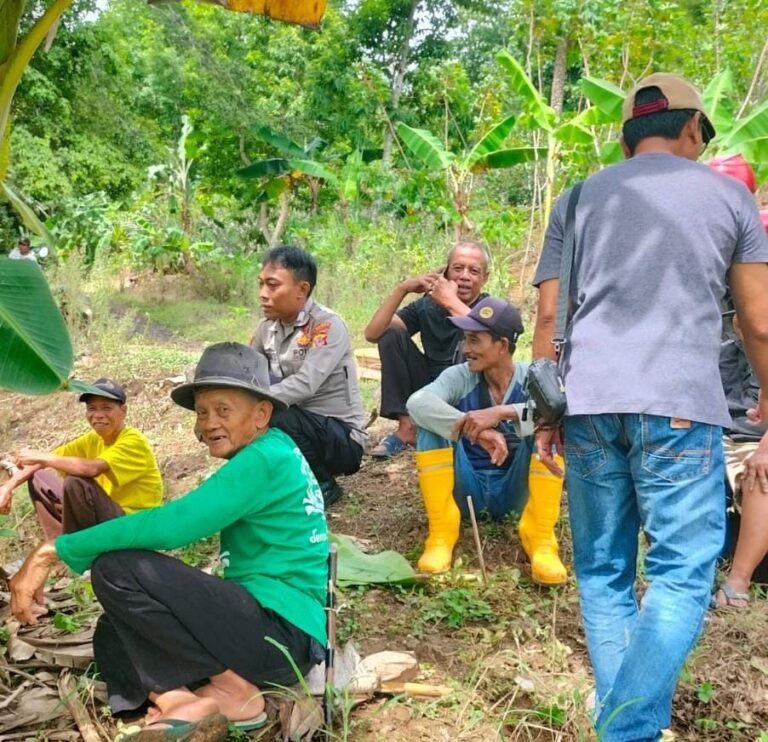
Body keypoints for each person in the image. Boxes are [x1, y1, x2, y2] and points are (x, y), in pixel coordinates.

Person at [531, 73, 768, 741]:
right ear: (692, 128)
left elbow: (550, 313)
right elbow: (758, 321)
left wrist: (545, 412)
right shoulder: (730, 198)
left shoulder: (577, 200)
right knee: (682, 576)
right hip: (679, 407)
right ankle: (626, 731)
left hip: (588, 404)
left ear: (627, 131)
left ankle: (623, 720)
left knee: (604, 571)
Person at [10, 342, 328, 741]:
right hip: (261, 628)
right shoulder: (272, 451)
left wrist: (53, 549)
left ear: (261, 413)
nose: (208, 423)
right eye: (202, 412)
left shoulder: (264, 458)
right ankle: (179, 699)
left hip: (280, 634)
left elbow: (175, 525)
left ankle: (232, 690)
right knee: (115, 627)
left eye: (223, 410)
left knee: (116, 569)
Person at [407, 297, 567, 584]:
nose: (466, 349)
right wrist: (475, 430)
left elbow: (560, 411)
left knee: (550, 425)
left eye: (474, 340)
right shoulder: (460, 376)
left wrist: (500, 413)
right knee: (429, 424)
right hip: (465, 489)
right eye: (465, 340)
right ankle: (442, 532)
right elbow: (417, 403)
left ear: (502, 346)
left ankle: (541, 538)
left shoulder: (531, 379)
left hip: (515, 490)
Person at [251, 245, 366, 507]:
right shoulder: (266, 329)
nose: (263, 294)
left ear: (302, 290)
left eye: (272, 285)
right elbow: (248, 373)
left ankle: (324, 484)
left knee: (272, 412)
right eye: (261, 285)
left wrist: (251, 405)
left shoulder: (327, 326)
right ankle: (275, 483)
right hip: (301, 428)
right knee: (248, 413)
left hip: (341, 439)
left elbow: (305, 385)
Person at [364, 242, 490, 457]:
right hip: (429, 384)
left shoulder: (490, 308)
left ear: (485, 278)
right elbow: (372, 334)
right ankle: (407, 429)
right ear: (445, 272)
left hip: (466, 390)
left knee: (470, 346)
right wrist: (402, 289)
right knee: (391, 335)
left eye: (474, 271)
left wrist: (450, 301)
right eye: (458, 268)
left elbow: (486, 337)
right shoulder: (426, 305)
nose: (465, 276)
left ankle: (460, 428)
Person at [0, 379, 162, 539]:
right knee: (39, 477)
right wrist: (7, 487)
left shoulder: (134, 441)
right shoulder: (93, 439)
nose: (98, 415)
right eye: (92, 408)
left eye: (106, 408)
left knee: (76, 481)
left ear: (123, 411)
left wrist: (44, 457)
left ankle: (77, 544)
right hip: (107, 516)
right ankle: (59, 543)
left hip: (133, 522)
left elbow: (92, 468)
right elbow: (40, 463)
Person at [714, 313, 768, 607]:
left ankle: (738, 582)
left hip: (759, 441)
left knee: (762, 474)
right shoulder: (723, 354)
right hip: (719, 434)